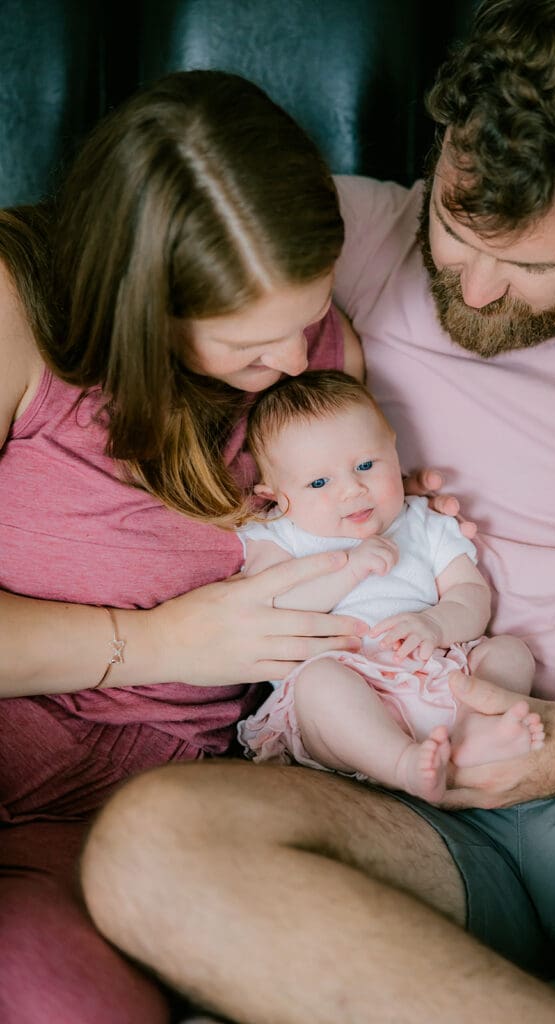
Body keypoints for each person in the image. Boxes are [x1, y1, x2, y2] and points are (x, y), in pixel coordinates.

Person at [79, 2, 555, 1023]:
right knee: (151, 847)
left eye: (532, 266)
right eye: (457, 230)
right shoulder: (340, 237)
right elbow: (109, 258)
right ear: (442, 143)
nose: (477, 287)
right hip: (379, 779)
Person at [0, 70, 451, 1023]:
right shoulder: (14, 314)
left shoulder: (326, 359)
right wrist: (158, 645)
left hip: (176, 809)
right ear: (139, 305)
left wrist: (394, 524)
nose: (292, 363)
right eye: (248, 347)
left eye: (308, 315)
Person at [237, 369, 544, 804]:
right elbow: (271, 607)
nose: (352, 490)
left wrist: (435, 625)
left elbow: (471, 597)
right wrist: (349, 570)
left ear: (394, 453)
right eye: (319, 483)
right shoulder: (279, 535)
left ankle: (475, 734)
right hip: (349, 700)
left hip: (437, 675)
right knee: (321, 684)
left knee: (511, 652)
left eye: (365, 465)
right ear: (275, 494)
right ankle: (402, 765)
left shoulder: (423, 522)